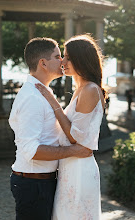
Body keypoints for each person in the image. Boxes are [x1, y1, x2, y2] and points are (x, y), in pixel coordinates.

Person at [9, 37, 92, 220]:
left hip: (43, 182)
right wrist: (73, 151)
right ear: (43, 63)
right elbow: (32, 150)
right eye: (58, 56)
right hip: (33, 184)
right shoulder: (32, 98)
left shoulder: (43, 93)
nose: (62, 61)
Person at [35, 34, 105, 220]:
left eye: (67, 57)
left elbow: (75, 137)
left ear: (81, 60)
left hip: (80, 167)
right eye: (62, 56)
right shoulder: (82, 89)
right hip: (70, 164)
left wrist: (53, 102)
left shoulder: (90, 90)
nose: (62, 61)